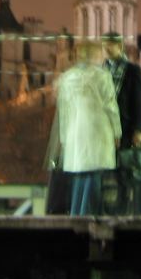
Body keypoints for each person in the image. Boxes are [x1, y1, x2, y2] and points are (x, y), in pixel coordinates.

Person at [55, 41, 121, 216]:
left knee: (79, 175)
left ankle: (75, 214)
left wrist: (63, 138)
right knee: (94, 174)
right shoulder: (102, 76)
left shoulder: (67, 77)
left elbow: (64, 111)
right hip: (97, 130)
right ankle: (86, 215)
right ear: (94, 56)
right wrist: (117, 131)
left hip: (74, 132)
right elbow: (111, 106)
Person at [101, 32, 141, 215]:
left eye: (110, 45)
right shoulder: (101, 70)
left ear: (119, 46)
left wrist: (139, 130)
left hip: (125, 129)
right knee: (105, 171)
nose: (107, 48)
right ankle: (105, 209)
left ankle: (123, 209)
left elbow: (139, 102)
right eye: (105, 45)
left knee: (123, 171)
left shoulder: (133, 70)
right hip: (103, 130)